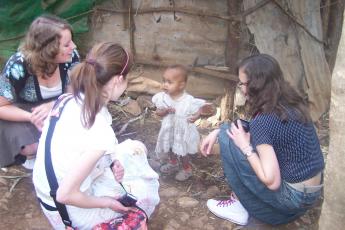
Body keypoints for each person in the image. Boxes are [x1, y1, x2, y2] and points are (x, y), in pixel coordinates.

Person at [33, 42, 153, 229]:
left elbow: (76, 146)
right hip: (66, 209)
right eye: (127, 77)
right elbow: (65, 195)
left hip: (46, 192)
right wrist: (106, 202)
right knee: (143, 194)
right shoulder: (99, 129)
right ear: (117, 80)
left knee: (132, 149)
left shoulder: (68, 100)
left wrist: (112, 160)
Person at [200, 54, 324, 226]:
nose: (241, 88)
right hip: (311, 192)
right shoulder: (291, 102)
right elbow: (262, 131)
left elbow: (271, 181)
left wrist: (245, 147)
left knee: (228, 139)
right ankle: (269, 212)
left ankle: (240, 205)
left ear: (256, 85)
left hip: (293, 198)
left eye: (242, 84)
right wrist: (218, 130)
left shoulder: (264, 120)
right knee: (228, 132)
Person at [0, 14, 79, 169]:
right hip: (23, 111)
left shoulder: (71, 58)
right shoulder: (18, 65)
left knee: (74, 133)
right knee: (32, 146)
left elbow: (73, 95)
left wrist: (54, 104)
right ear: (49, 49)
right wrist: (32, 117)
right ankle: (33, 154)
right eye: (67, 44)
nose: (74, 47)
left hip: (58, 107)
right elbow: (1, 106)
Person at [152, 65, 213, 181]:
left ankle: (187, 169)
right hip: (169, 129)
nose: (165, 84)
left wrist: (195, 117)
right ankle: (173, 163)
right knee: (170, 147)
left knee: (183, 151)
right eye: (164, 81)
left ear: (181, 85)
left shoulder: (188, 100)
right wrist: (164, 111)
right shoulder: (162, 98)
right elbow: (158, 112)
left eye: (169, 82)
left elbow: (198, 109)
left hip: (182, 132)